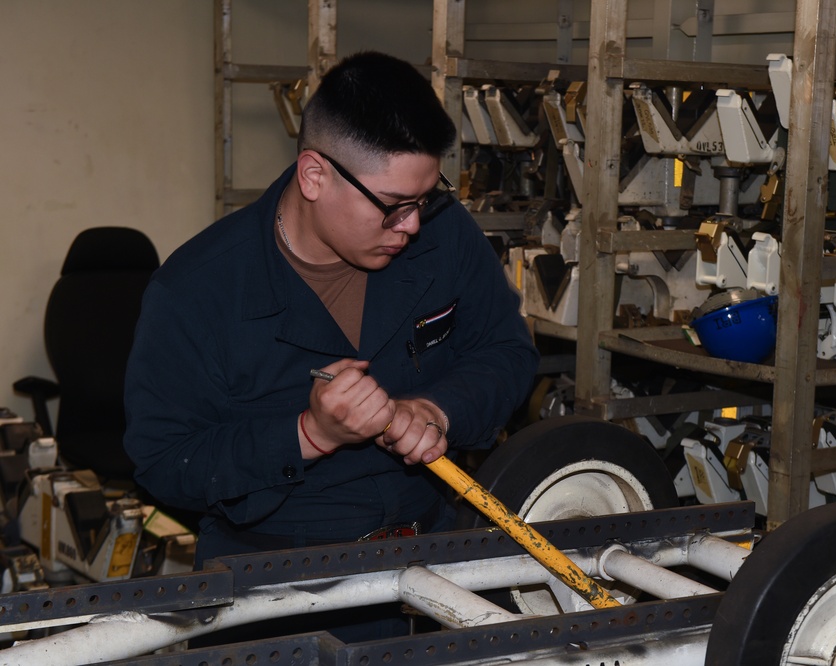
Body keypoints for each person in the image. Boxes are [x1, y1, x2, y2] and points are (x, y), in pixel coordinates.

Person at [123, 51, 539, 639]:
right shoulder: (196, 290)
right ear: (314, 176)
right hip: (276, 593)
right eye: (393, 206)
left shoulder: (442, 235)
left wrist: (438, 408)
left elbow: (507, 350)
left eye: (425, 198)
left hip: (435, 569)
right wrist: (307, 436)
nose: (412, 226)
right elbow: (165, 461)